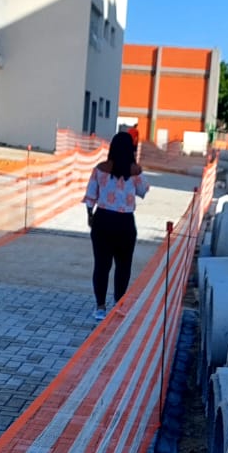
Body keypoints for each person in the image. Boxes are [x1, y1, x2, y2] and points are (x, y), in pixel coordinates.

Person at [83, 130, 150, 320]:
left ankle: (100, 307)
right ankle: (118, 305)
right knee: (123, 266)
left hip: (103, 219)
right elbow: (143, 191)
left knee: (101, 265)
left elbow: (90, 195)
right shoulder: (134, 171)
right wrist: (138, 171)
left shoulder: (100, 169)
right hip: (125, 223)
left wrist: (90, 215)